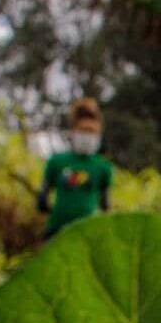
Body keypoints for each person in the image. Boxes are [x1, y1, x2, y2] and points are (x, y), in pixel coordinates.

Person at [38, 98, 113, 239]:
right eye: (83, 131)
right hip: (56, 230)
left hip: (88, 234)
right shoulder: (57, 162)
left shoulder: (103, 167)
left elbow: (106, 206)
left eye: (91, 132)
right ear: (73, 131)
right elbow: (42, 198)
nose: (87, 137)